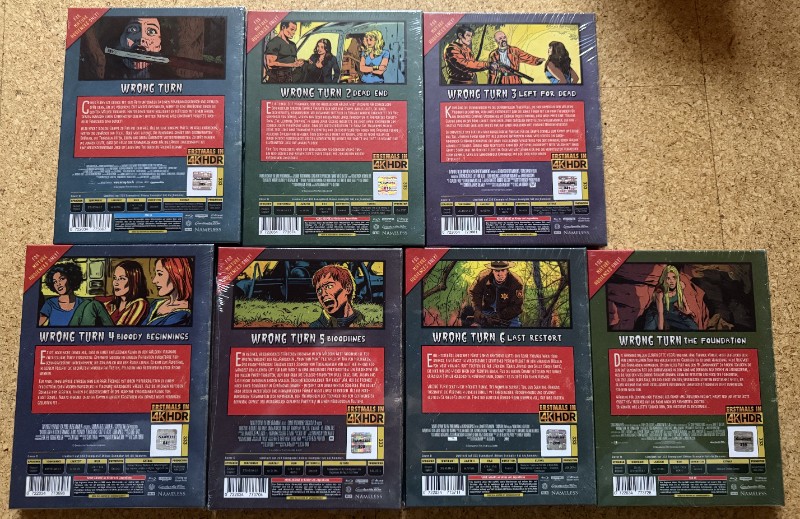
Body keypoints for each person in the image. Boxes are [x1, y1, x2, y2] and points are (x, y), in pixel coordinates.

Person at [39, 262, 112, 327]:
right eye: (55, 282)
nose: (58, 284)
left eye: (62, 279)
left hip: (77, 335)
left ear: (70, 279)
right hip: (58, 336)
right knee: (94, 304)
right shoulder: (50, 303)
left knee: (94, 304)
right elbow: (37, 325)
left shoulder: (83, 304)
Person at [461, 261, 524, 327]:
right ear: (492, 270)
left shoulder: (516, 283)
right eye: (497, 271)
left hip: (508, 315)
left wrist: (499, 316)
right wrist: (477, 310)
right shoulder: (483, 277)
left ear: (507, 270)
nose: (500, 274)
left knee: (515, 328)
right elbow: (474, 293)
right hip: (487, 312)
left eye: (503, 270)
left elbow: (517, 306)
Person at [643, 265, 698, 331]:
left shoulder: (680, 285)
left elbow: (681, 295)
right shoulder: (660, 292)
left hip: (671, 311)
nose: (672, 281)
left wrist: (687, 309)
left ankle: (669, 324)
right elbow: (660, 313)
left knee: (693, 326)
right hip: (655, 313)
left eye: (674, 277)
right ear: (664, 279)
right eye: (668, 278)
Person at [144, 258, 192, 326]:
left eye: (160, 274)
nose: (154, 281)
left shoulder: (183, 314)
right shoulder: (156, 303)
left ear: (176, 276)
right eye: (155, 274)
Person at [104, 260, 149, 326]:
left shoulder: (139, 303)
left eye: (122, 278)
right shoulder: (111, 304)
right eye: (115, 278)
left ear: (133, 281)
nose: (116, 283)